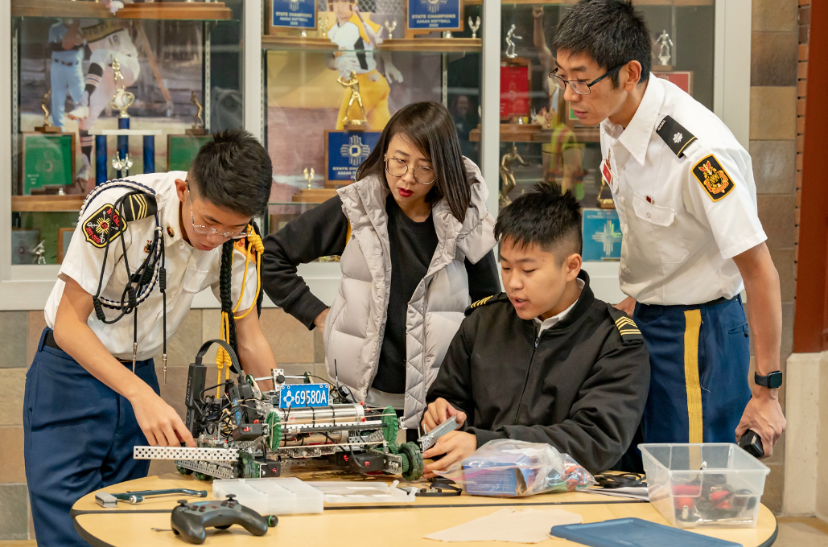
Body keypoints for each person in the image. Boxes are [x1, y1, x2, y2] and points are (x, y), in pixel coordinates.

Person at [551, 0, 786, 459]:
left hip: (700, 332)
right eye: (562, 78)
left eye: (581, 81)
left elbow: (761, 272)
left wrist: (766, 392)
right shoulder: (613, 119)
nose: (569, 95)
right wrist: (639, 295)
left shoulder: (699, 155)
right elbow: (655, 228)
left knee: (694, 488)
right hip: (647, 321)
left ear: (630, 72)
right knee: (638, 472)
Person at [24, 129, 279, 546]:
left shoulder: (238, 238)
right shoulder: (118, 210)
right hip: (70, 375)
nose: (213, 238)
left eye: (230, 229)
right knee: (68, 528)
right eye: (207, 222)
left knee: (126, 525)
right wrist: (141, 396)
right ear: (183, 190)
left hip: (139, 373)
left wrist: (277, 416)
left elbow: (248, 336)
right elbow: (69, 322)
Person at [261, 101, 500, 430]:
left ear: (443, 169)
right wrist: (321, 316)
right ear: (384, 152)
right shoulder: (356, 209)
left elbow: (490, 310)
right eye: (399, 161)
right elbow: (271, 255)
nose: (407, 177)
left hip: (439, 406)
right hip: (362, 403)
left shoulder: (466, 220)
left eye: (425, 168)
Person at [422, 182, 650, 476]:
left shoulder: (614, 341)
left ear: (571, 267)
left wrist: (488, 445)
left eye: (528, 270)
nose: (514, 282)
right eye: (505, 267)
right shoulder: (483, 322)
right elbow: (450, 400)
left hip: (576, 500)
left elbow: (595, 442)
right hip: (477, 489)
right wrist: (442, 414)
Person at [68, 16, 140, 188]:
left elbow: (131, 19)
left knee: (99, 54)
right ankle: (87, 167)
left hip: (127, 64)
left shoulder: (112, 7)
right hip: (106, 73)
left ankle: (84, 99)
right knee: (85, 120)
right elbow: (67, 44)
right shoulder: (85, 13)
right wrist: (76, 18)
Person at [325, 0, 403, 130]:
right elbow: (328, 61)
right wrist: (337, 63)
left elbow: (379, 43)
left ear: (352, 3)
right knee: (382, 136)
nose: (339, 6)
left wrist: (388, 63)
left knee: (343, 132)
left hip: (364, 83)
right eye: (336, 1)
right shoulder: (330, 30)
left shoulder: (360, 25)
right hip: (372, 85)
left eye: (344, 2)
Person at [46, 19, 84, 130]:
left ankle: (83, 131)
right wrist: (70, 45)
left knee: (80, 99)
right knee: (57, 99)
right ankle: (60, 132)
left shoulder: (79, 27)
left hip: (75, 67)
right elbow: (53, 46)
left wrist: (64, 44)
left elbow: (81, 45)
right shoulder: (55, 27)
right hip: (58, 66)